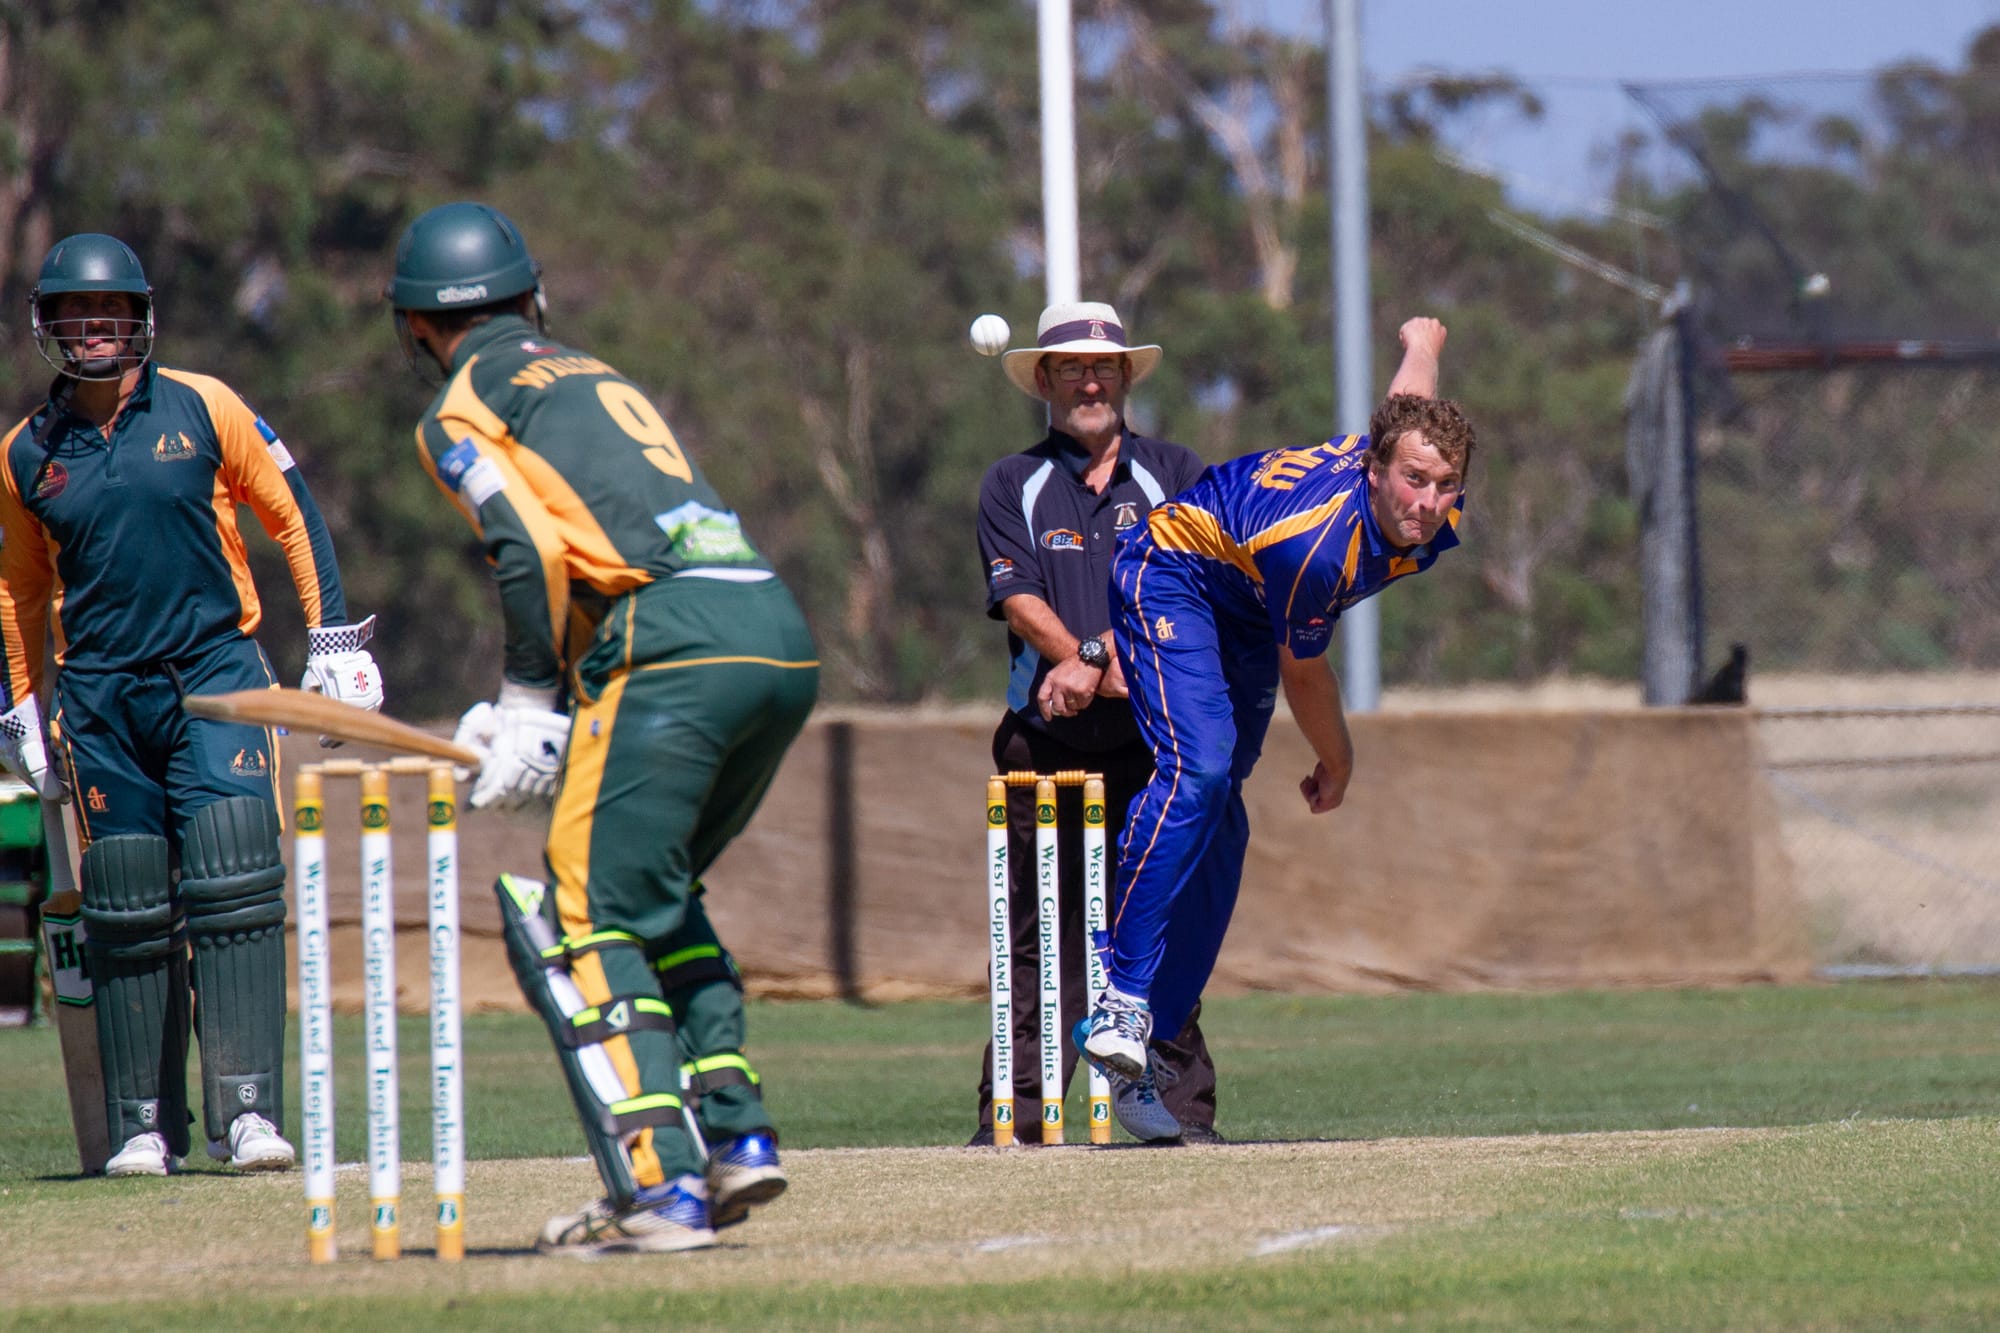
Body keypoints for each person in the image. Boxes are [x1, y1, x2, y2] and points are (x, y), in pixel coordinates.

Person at [384, 201, 819, 1257]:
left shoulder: (459, 403)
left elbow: (528, 549)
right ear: (533, 298)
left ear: (413, 329)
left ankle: (660, 1188)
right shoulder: (594, 370)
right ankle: (735, 1133)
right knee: (649, 893)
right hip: (772, 630)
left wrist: (530, 703)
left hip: (667, 640)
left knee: (581, 902)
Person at [0, 233, 382, 1177]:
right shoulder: (23, 455)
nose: (96, 330)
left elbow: (291, 510)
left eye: (113, 313)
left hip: (217, 673)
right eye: (76, 316)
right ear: (48, 326)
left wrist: (329, 635)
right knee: (126, 903)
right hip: (98, 698)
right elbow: (16, 594)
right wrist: (17, 705)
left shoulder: (205, 405)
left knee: (234, 879)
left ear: (141, 319)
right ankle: (142, 1125)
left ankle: (247, 1112)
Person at [1075, 317, 1475, 1087]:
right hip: (1173, 572)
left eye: (1444, 484)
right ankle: (1119, 990)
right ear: (1374, 471)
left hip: (1249, 602)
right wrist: (1339, 758)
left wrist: (1423, 344)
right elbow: (1307, 676)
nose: (1426, 502)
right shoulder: (1320, 548)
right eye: (1413, 481)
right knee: (1201, 771)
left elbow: (1409, 409)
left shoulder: (1412, 464)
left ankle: (1149, 1048)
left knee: (1224, 819)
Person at [971, 300, 1218, 1147]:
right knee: (1040, 941)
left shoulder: (1176, 472)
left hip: (1154, 742)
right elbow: (1017, 597)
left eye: (1104, 367)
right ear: (1042, 378)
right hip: (1044, 738)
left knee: (1159, 926)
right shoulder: (1014, 481)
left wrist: (1096, 662)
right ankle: (1020, 1118)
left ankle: (1179, 1113)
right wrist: (1076, 653)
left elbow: (1189, 593)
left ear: (1125, 378)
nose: (1089, 380)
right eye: (1071, 366)